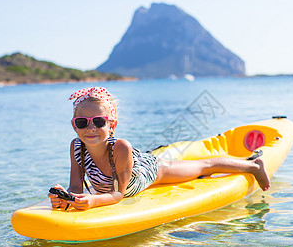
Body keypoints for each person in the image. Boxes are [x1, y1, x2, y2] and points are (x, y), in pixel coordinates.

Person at [49, 87, 270, 210]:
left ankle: (252, 165)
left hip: (149, 172)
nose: (90, 128)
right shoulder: (76, 146)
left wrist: (93, 201)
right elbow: (76, 184)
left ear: (112, 125)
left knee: (203, 167)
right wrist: (66, 197)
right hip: (134, 164)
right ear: (73, 125)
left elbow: (118, 195)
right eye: (82, 122)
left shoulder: (121, 147)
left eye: (98, 122)